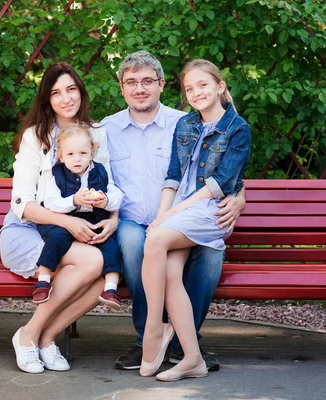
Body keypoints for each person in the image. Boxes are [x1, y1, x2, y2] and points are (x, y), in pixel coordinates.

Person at [100, 51, 247, 372]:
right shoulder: (106, 129)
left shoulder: (181, 123)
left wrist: (241, 196)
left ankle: (183, 343)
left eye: (147, 81)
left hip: (183, 221)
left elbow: (222, 170)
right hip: (129, 222)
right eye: (131, 82)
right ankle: (146, 339)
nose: (140, 89)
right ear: (121, 87)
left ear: (162, 84)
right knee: (134, 243)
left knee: (210, 257)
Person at [0, 62, 118, 374]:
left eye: (71, 89)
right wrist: (67, 222)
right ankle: (28, 334)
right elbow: (22, 202)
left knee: (110, 267)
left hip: (77, 227)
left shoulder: (96, 134)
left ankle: (48, 338)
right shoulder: (34, 136)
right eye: (56, 93)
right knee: (93, 262)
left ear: (80, 92)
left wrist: (114, 219)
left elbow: (108, 184)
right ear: (47, 100)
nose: (66, 98)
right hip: (29, 229)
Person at [140, 59, 250, 381]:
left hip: (209, 210)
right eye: (189, 88)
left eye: (202, 85)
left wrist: (173, 213)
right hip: (180, 210)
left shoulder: (237, 128)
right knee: (171, 272)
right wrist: (164, 212)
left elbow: (222, 181)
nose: (196, 92)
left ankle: (153, 329)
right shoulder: (186, 125)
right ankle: (192, 359)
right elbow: (173, 175)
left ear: (219, 86)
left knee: (155, 239)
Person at [34, 124, 124, 310]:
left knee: (111, 247)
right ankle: (43, 280)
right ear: (61, 156)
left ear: (91, 153)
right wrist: (73, 200)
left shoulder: (100, 172)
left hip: (93, 222)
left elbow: (117, 196)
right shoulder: (57, 175)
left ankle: (110, 289)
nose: (77, 159)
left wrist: (105, 201)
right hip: (65, 222)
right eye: (70, 154)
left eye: (83, 153)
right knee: (55, 239)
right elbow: (50, 203)